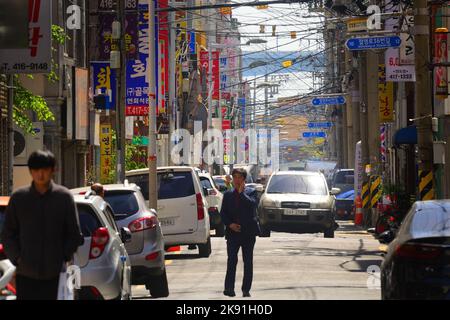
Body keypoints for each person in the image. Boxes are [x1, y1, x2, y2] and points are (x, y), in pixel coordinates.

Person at [1, 150, 83, 300]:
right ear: (30, 171)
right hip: (26, 274)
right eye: (36, 170)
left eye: (44, 170)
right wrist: (18, 258)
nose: (40, 174)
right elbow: (8, 234)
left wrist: (62, 256)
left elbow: (73, 234)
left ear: (53, 170)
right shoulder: (19, 198)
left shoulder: (63, 197)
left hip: (56, 273)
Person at [220, 168, 260, 298]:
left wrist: (241, 193)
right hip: (233, 234)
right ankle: (229, 288)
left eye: (239, 177)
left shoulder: (252, 192)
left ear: (244, 179)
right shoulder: (228, 194)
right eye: (235, 177)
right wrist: (230, 225)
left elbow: (252, 205)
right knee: (232, 260)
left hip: (248, 233)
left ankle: (246, 289)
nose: (237, 180)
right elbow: (223, 213)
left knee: (247, 262)